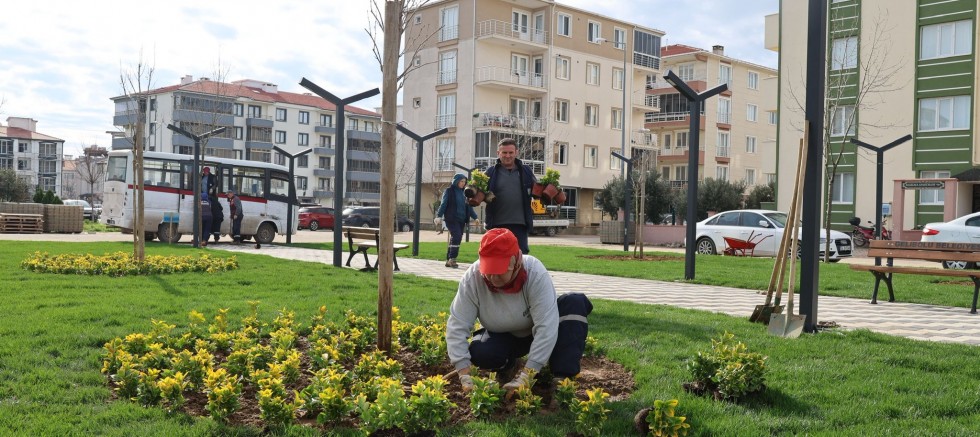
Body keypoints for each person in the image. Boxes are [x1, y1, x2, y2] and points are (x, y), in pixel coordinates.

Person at [445, 228, 592, 395]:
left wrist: (527, 377)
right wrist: (464, 373)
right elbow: (457, 325)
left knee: (574, 302)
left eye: (499, 271)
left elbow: (546, 329)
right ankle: (508, 366)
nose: (492, 277)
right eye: (488, 270)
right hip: (505, 336)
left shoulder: (535, 273)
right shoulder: (472, 279)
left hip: (535, 332)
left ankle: (561, 379)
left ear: (516, 262)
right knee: (481, 352)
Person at [484, 138, 536, 254]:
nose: (508, 156)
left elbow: (537, 191)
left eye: (511, 152)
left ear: (516, 152)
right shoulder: (490, 172)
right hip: (496, 225)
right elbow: (477, 192)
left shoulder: (526, 171)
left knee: (520, 259)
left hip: (520, 224)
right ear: (498, 153)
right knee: (496, 257)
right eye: (504, 152)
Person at [435, 174, 479, 268]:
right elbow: (443, 204)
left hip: (461, 220)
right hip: (451, 218)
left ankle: (449, 260)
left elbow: (469, 207)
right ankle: (452, 259)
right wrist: (438, 216)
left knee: (456, 238)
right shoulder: (449, 191)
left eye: (464, 182)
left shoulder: (465, 193)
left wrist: (475, 217)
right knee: (457, 236)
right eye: (461, 181)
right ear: (456, 181)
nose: (463, 183)